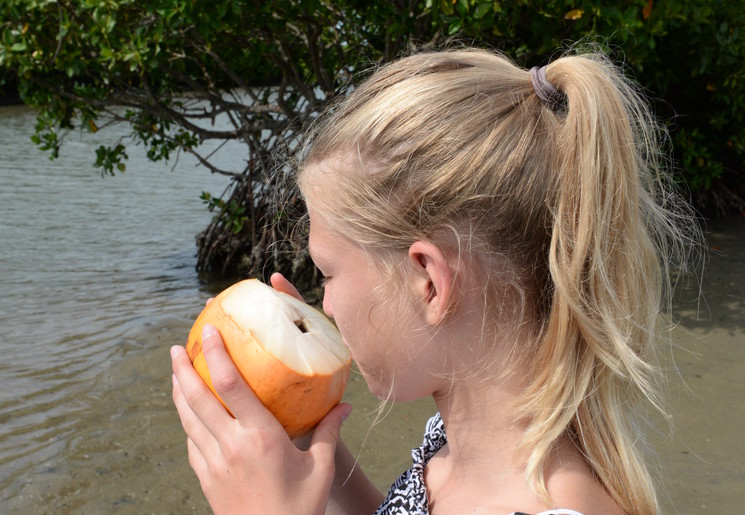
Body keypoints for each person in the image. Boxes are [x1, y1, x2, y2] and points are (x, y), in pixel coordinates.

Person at [170, 46, 696, 514]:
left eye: (327, 273)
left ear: (429, 283)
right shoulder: (452, 446)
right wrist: (309, 448)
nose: (323, 305)